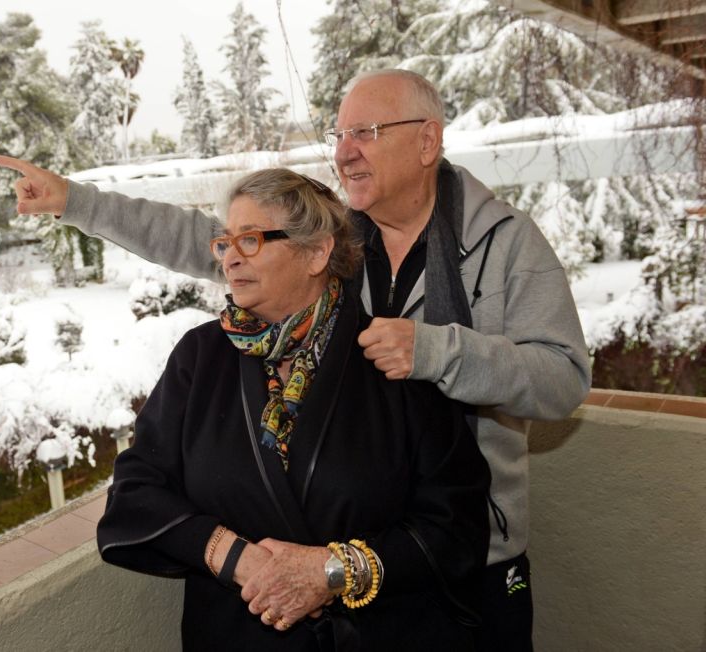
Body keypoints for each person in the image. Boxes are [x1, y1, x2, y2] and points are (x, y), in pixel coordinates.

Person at [0, 69, 592, 651]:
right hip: (338, 564)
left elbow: (564, 379)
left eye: (366, 133)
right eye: (339, 137)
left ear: (427, 139)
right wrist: (74, 201)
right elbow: (203, 238)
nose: (345, 153)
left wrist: (437, 351)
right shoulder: (337, 245)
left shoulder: (506, 244)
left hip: (471, 551)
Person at [96, 168, 491, 649]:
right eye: (225, 243)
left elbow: (456, 530)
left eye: (252, 240)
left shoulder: (390, 357)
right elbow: (135, 495)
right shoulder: (200, 358)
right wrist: (240, 559)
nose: (230, 259)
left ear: (317, 252)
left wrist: (333, 572)